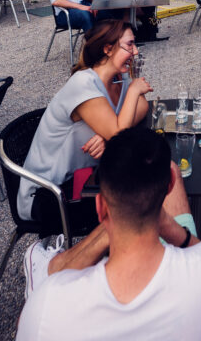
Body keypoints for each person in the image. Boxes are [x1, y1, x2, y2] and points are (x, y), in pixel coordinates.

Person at [18, 127, 201, 341]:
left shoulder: (46, 308)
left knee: (53, 274)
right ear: (169, 186)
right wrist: (173, 229)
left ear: (100, 207)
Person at [17, 20, 151, 233]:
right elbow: (121, 132)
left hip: (88, 178)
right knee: (141, 202)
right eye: (130, 45)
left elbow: (143, 106)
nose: (135, 52)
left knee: (149, 183)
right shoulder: (83, 83)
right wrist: (133, 94)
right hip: (51, 195)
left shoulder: (119, 78)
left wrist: (108, 136)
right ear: (108, 48)